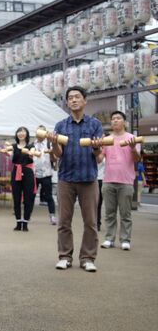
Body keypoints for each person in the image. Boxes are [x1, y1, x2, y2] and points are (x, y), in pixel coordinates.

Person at [47, 86, 103, 273]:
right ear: (67, 102)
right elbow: (57, 155)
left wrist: (96, 147)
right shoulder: (61, 126)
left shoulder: (94, 124)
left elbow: (99, 156)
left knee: (90, 222)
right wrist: (54, 143)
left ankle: (87, 258)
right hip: (66, 179)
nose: (73, 100)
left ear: (85, 100)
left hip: (88, 178)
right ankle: (64, 256)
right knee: (64, 221)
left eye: (77, 97)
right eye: (70, 98)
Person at [98, 111, 141, 251]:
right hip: (108, 180)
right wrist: (96, 147)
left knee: (125, 213)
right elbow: (99, 159)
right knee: (109, 213)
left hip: (126, 181)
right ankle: (109, 239)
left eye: (118, 118)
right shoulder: (107, 139)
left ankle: (125, 239)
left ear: (124, 122)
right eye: (113, 119)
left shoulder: (132, 138)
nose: (115, 121)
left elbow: (137, 159)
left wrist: (133, 148)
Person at [8, 126, 36, 232]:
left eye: (23, 132)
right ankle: (18, 222)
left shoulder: (31, 146)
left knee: (28, 199)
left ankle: (26, 223)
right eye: (19, 131)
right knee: (16, 198)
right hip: (16, 172)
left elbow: (33, 152)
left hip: (28, 173)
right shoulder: (13, 146)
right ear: (17, 134)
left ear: (27, 134)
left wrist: (31, 153)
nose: (21, 133)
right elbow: (10, 153)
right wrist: (7, 152)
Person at [33, 125, 56, 225]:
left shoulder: (49, 144)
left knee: (49, 196)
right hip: (34, 174)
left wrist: (51, 153)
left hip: (46, 174)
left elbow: (54, 159)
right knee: (31, 196)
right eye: (39, 131)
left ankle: (52, 216)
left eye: (43, 131)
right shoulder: (32, 144)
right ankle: (27, 216)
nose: (40, 133)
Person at [96, 159, 105, 231]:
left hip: (104, 180)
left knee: (99, 203)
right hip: (96, 179)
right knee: (96, 203)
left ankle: (97, 223)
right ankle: (96, 223)